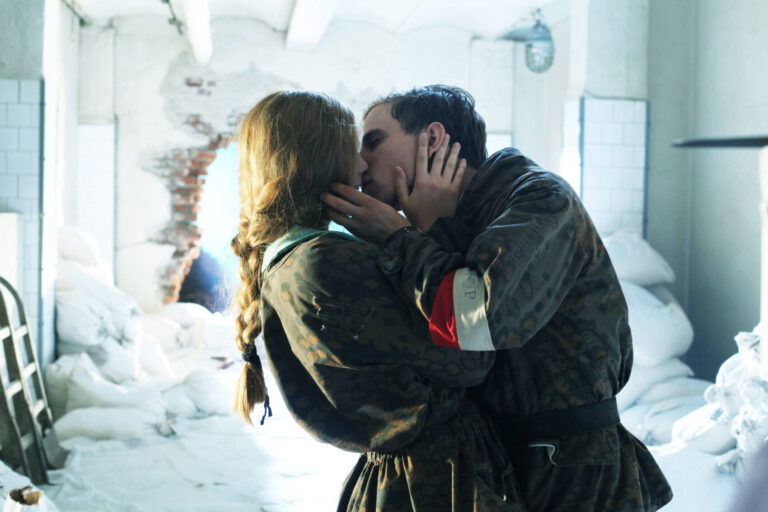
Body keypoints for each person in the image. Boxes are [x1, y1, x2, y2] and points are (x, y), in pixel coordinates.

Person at [321, 84, 674, 511]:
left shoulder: (540, 200)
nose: (360, 163)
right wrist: (428, 230)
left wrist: (406, 237)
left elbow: (476, 320)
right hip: (504, 460)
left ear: (432, 138)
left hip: (573, 471)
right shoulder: (457, 216)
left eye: (374, 142)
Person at [230, 90, 524, 511]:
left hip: (411, 475)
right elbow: (473, 359)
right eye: (355, 148)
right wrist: (431, 229)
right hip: (438, 482)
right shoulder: (326, 262)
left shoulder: (291, 259)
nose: (365, 165)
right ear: (321, 158)